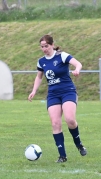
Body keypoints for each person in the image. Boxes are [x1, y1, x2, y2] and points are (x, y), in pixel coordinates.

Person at [28, 34, 87, 163]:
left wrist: (77, 70)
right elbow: (39, 77)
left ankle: (79, 144)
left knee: (70, 120)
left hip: (67, 91)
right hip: (53, 94)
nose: (44, 49)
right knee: (55, 123)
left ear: (52, 45)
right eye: (42, 47)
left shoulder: (62, 56)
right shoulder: (41, 61)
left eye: (46, 46)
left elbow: (78, 63)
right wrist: (34, 91)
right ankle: (62, 156)